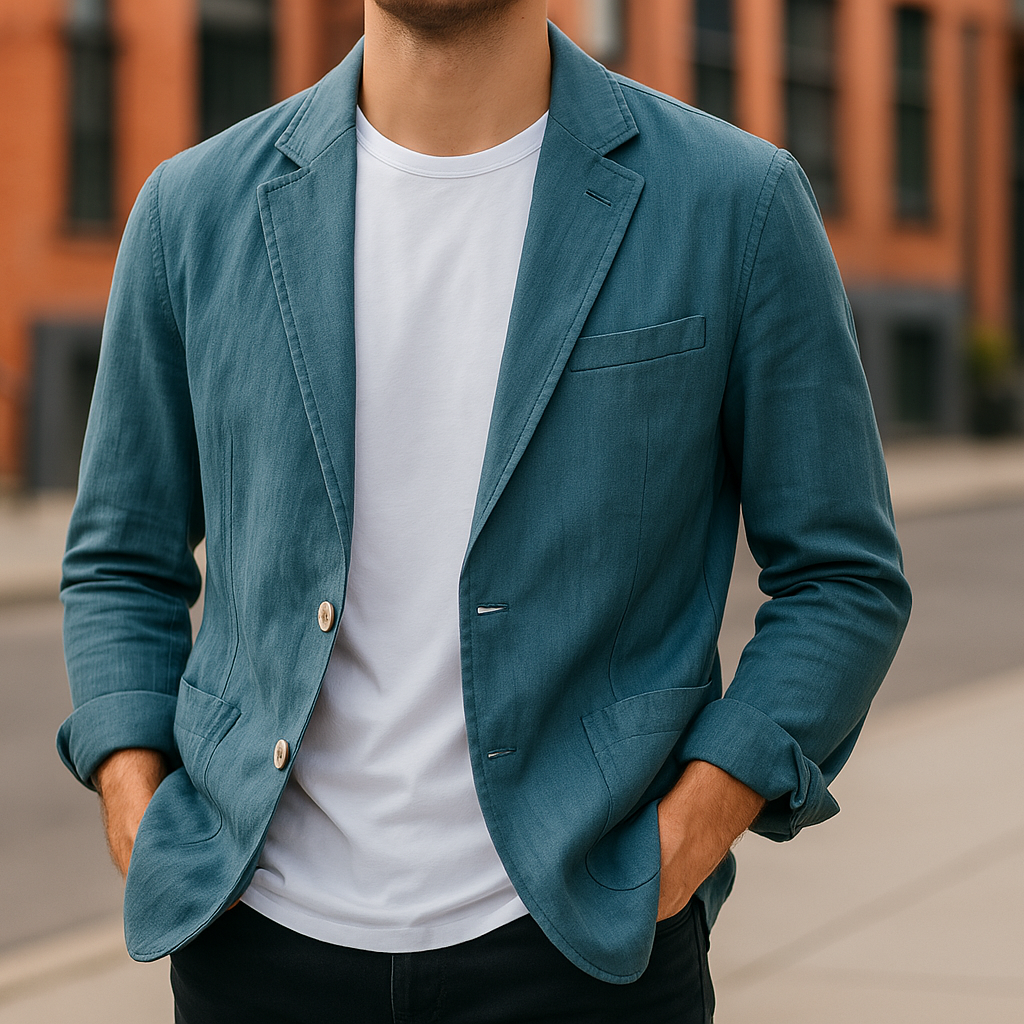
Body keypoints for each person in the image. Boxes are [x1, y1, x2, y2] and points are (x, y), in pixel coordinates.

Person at [57, 1, 911, 1021]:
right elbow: (121, 558)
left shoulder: (735, 204)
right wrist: (136, 803)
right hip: (256, 947)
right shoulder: (192, 211)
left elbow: (841, 575)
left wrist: (690, 829)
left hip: (582, 954)